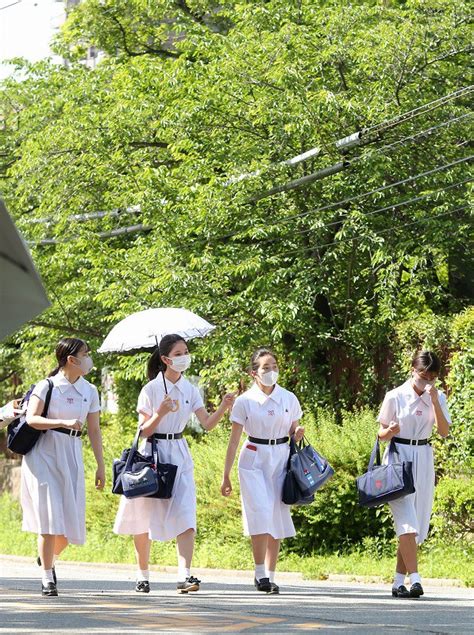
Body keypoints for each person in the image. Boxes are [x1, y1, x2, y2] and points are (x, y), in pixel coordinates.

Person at [113, 334, 235, 594]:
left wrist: (224, 406)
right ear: (166, 359)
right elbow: (143, 431)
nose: (184, 357)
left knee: (185, 510)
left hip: (179, 452)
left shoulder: (190, 388)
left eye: (186, 351)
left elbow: (207, 424)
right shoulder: (151, 389)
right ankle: (142, 574)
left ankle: (185, 574)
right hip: (151, 453)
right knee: (143, 515)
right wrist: (160, 412)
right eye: (179, 353)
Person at [23, 337, 105, 597]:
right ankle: (48, 578)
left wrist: (101, 466)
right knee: (49, 519)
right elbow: (32, 418)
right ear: (72, 359)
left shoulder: (90, 391)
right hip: (44, 454)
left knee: (68, 528)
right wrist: (63, 422)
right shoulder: (46, 386)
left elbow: (94, 430)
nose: (89, 357)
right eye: (86, 353)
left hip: (71, 455)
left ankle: (46, 558)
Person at [221, 347, 304, 595]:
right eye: (266, 368)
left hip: (280, 458)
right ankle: (259, 573)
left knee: (276, 515)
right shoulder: (245, 401)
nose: (271, 371)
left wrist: (297, 434)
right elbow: (234, 440)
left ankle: (271, 574)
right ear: (253, 372)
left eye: (274, 366)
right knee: (260, 511)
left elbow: (293, 430)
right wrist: (225, 475)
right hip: (253, 458)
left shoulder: (288, 398)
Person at [377, 350, 451, 599]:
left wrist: (434, 402)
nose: (427, 380)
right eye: (423, 375)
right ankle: (416, 580)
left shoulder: (437, 396)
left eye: (432, 376)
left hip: (423, 456)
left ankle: (398, 582)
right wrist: (389, 429)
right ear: (413, 370)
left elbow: (443, 431)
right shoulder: (395, 396)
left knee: (415, 523)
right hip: (398, 457)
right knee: (406, 520)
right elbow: (380, 434)